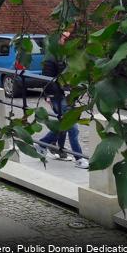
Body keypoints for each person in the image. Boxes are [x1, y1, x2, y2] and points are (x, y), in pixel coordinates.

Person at [37, 31, 89, 168]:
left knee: (63, 126)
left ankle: (42, 144)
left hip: (68, 96)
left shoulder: (69, 55)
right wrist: (49, 95)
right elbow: (47, 79)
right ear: (58, 39)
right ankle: (79, 158)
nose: (68, 41)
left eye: (70, 38)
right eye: (65, 38)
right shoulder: (51, 56)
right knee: (73, 128)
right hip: (58, 97)